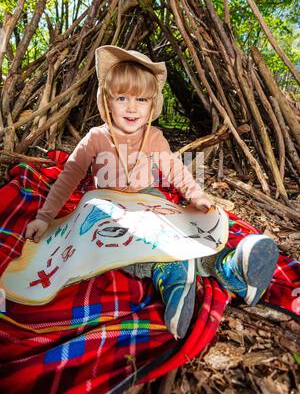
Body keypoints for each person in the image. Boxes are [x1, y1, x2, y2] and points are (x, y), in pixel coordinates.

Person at [25, 45, 279, 339]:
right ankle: (169, 273)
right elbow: (68, 177)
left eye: (141, 99)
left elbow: (175, 170)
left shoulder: (155, 137)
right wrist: (45, 217)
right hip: (108, 207)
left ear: (152, 104)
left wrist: (195, 195)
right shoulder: (95, 138)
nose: (132, 107)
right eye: (122, 98)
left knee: (179, 230)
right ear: (107, 102)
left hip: (149, 199)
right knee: (122, 240)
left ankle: (229, 269)